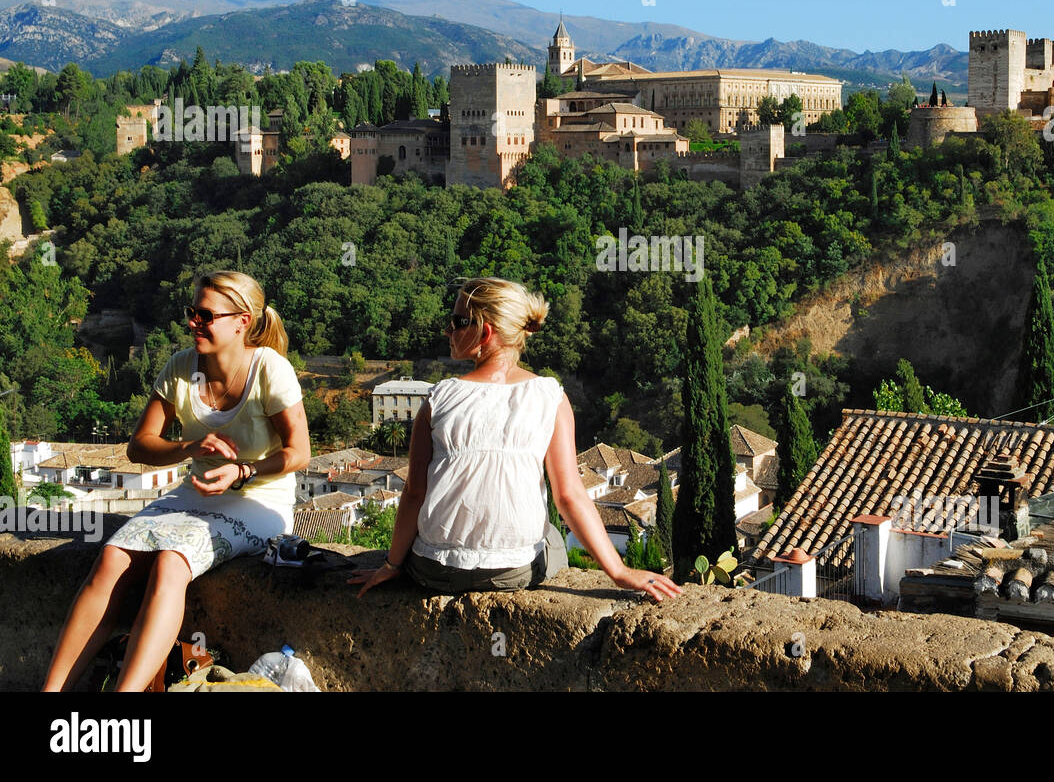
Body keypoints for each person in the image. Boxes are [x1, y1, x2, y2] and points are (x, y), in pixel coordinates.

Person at [43, 270, 310, 691]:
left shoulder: (270, 370)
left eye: (206, 315)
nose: (193, 323)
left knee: (171, 561)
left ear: (242, 320)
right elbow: (140, 446)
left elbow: (300, 453)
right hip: (195, 493)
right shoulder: (182, 367)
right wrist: (189, 448)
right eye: (192, 313)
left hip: (261, 500)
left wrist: (243, 470)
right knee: (113, 555)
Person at [349, 277, 682, 602]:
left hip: (435, 569)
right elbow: (568, 497)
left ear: (486, 331)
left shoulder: (439, 398)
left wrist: (392, 564)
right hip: (513, 572)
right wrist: (620, 572)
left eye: (456, 321)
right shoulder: (550, 396)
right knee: (552, 536)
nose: (447, 330)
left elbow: (414, 493)